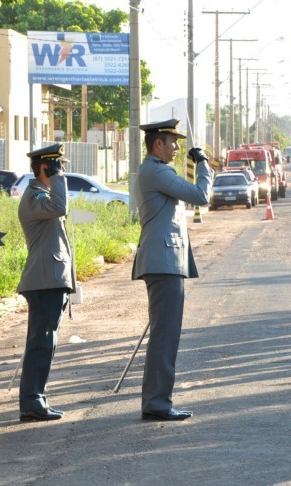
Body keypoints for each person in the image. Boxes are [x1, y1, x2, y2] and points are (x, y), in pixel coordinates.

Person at [132, 119, 213, 421]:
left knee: (165, 334)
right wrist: (203, 164)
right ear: (158, 144)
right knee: (165, 336)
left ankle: (157, 400)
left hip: (164, 260)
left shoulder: (155, 170)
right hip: (162, 262)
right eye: (173, 142)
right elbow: (201, 196)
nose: (178, 148)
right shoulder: (156, 170)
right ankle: (157, 402)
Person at [17, 143, 74, 421]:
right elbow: (60, 207)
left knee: (45, 343)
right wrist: (58, 179)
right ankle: (32, 402)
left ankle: (37, 398)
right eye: (58, 166)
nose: (62, 171)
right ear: (46, 168)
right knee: (41, 343)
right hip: (42, 281)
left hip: (50, 279)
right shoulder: (34, 197)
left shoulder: (43, 195)